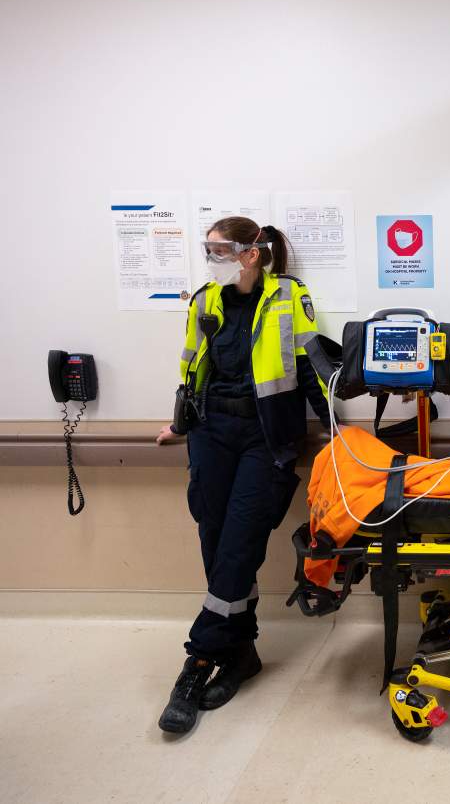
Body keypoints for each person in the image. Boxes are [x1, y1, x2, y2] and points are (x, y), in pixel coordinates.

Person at [154, 216, 330, 734]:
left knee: (239, 543)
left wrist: (335, 426)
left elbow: (309, 363)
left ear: (250, 254)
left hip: (265, 435)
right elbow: (192, 365)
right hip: (210, 429)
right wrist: (179, 420)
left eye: (218, 250)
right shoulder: (205, 299)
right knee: (214, 539)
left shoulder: (287, 296)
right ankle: (243, 653)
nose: (210, 258)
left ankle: (199, 659)